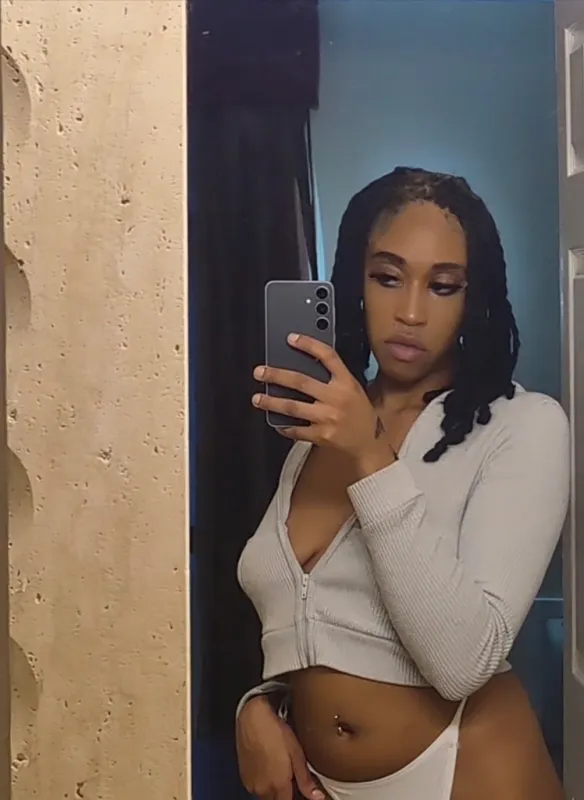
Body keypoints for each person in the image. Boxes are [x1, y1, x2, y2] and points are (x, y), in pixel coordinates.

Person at [235, 167, 569, 800]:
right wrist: (260, 705)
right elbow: (316, 619)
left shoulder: (523, 425)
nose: (411, 312)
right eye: (387, 278)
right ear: (355, 283)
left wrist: (371, 455)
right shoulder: (321, 430)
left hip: (470, 770)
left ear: (474, 298)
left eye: (443, 286)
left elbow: (464, 662)